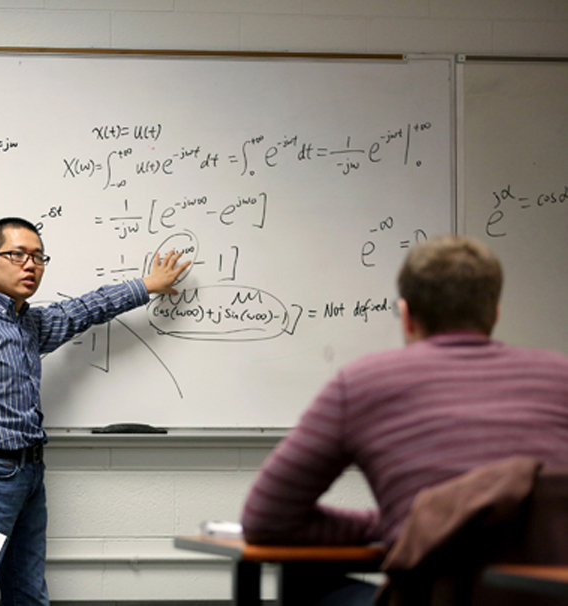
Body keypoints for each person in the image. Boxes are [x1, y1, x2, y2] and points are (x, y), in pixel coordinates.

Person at [241, 235, 568, 606]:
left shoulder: (364, 382)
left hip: (426, 598)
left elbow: (266, 519)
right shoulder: (561, 375)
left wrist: (418, 523)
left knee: (304, 576)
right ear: (495, 312)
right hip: (549, 598)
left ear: (407, 315)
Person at [0, 217, 190, 606]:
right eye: (18, 255)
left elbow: (83, 310)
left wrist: (145, 286)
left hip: (27, 474)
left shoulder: (28, 324)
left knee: (29, 594)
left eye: (39, 257)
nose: (31, 265)